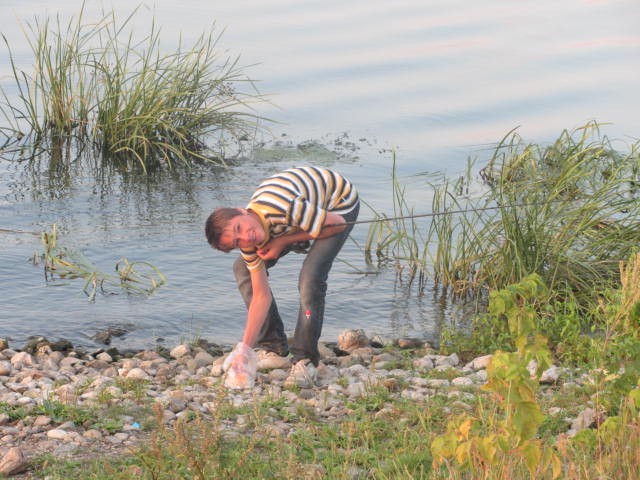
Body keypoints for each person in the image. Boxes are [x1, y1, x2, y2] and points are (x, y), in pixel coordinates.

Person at [205, 166, 359, 388]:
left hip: (337, 203)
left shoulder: (280, 208)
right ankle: (274, 346)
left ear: (243, 211)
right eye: (237, 242)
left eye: (240, 227)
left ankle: (306, 359)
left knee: (310, 277)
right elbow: (261, 296)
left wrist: (282, 241)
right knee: (243, 269)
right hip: (299, 218)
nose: (245, 237)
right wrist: (244, 349)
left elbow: (337, 224)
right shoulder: (248, 241)